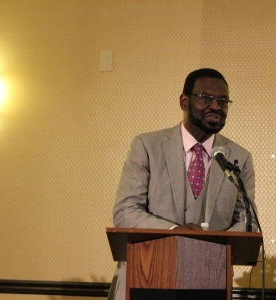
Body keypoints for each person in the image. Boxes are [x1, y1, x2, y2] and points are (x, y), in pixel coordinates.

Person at [107, 68, 258, 300]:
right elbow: (126, 211)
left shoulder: (239, 157)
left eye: (223, 101)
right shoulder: (147, 146)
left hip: (209, 282)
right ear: (184, 101)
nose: (216, 107)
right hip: (145, 276)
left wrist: (210, 242)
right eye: (207, 98)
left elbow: (246, 222)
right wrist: (175, 232)